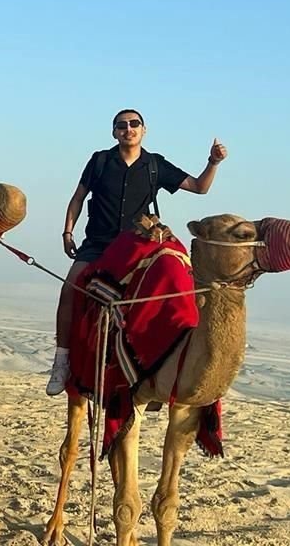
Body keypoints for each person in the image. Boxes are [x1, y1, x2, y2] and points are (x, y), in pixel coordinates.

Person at [46, 109, 229, 396]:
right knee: (70, 290)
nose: (127, 129)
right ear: (114, 132)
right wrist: (68, 231)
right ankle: (62, 361)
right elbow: (78, 197)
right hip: (99, 244)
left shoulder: (155, 165)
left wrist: (213, 162)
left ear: (144, 130)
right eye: (121, 125)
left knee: (171, 282)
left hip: (136, 246)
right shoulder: (100, 161)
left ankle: (158, 365)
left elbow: (199, 187)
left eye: (134, 124)